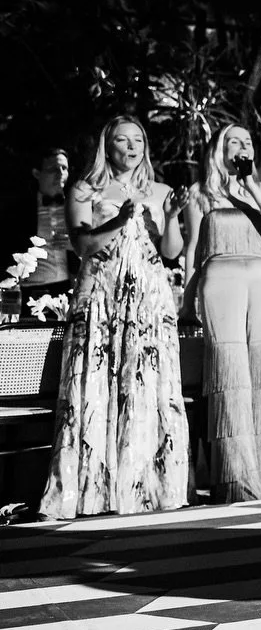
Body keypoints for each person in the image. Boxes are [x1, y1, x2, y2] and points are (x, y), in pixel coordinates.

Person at [39, 115, 193, 518]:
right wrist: (119, 220)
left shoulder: (159, 190)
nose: (132, 146)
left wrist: (172, 215)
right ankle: (92, 492)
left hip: (147, 302)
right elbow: (82, 246)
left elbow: (171, 252)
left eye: (138, 139)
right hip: (102, 298)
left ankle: (144, 488)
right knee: (96, 385)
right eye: (122, 140)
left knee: (145, 386)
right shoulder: (84, 189)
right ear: (107, 147)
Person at [187, 208, 261, 503]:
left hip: (226, 312)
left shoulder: (215, 268)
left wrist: (187, 307)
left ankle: (236, 482)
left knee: (230, 386)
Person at [182, 123, 261, 286]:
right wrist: (188, 298)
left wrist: (251, 185)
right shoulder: (200, 192)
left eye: (248, 142)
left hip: (259, 282)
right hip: (220, 283)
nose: (244, 146)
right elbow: (194, 249)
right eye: (235, 142)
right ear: (219, 150)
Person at [27, 148, 76, 295]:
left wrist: (75, 244)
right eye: (53, 169)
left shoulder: (77, 206)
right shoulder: (19, 210)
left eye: (64, 168)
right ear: (37, 173)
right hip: (30, 290)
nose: (60, 173)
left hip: (68, 289)